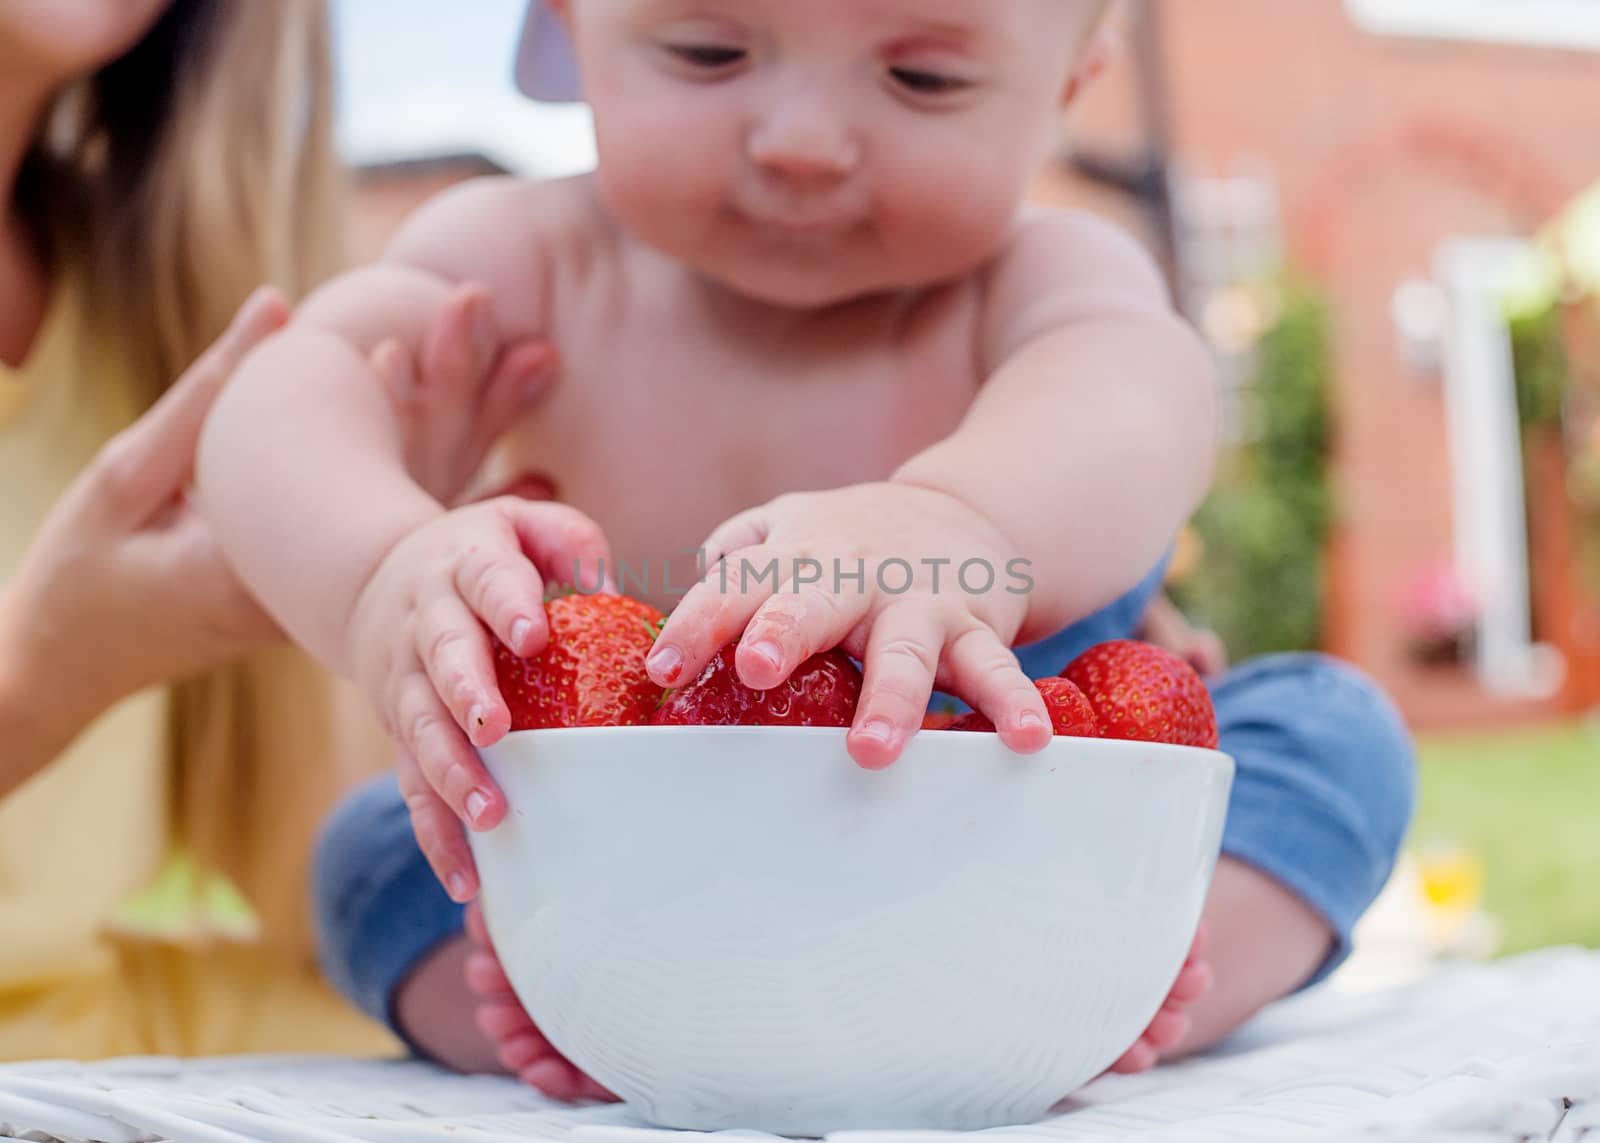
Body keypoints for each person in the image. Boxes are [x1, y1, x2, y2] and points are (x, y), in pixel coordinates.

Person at [196, 0, 1415, 1098]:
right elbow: (283, 398)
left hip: (1026, 842)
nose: (801, 141)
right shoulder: (522, 258)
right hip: (638, 878)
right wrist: (378, 572)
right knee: (371, 866)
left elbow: (1141, 396)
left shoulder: (1041, 274)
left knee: (1331, 733)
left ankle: (1131, 972)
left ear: (1070, 84)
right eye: (708, 51)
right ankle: (597, 998)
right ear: (572, 26)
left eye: (922, 79)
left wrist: (960, 522)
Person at [0, 0, 553, 1058]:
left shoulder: (161, 288)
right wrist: (44, 674)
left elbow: (304, 874)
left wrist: (358, 586)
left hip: (165, 1060)